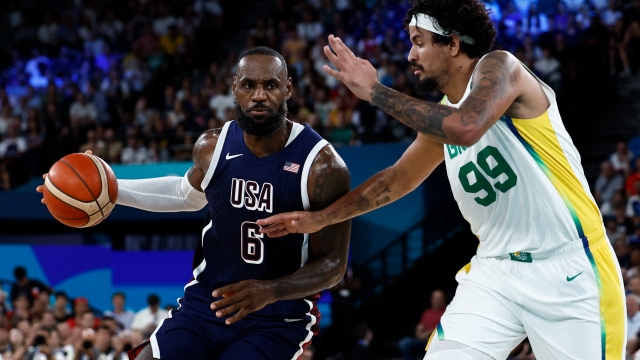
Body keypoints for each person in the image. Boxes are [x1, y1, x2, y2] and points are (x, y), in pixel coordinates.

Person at [259, 0, 626, 358]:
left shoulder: (502, 68)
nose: (409, 56)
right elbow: (397, 178)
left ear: (452, 44)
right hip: (496, 271)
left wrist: (374, 91)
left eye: (419, 42)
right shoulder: (442, 119)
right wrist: (321, 219)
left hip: (569, 267)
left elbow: (465, 128)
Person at [38, 46, 351, 360]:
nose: (259, 95)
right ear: (234, 89)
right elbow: (183, 195)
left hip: (277, 317)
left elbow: (334, 266)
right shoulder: (212, 146)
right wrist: (108, 190)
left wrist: (270, 291)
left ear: (288, 89)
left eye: (270, 85)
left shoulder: (322, 167)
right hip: (207, 303)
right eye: (248, 85)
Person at [398, 289, 446, 360]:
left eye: (439, 299)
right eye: (435, 298)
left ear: (443, 300)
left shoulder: (447, 312)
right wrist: (422, 336)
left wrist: (426, 334)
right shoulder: (427, 313)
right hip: (423, 341)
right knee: (404, 342)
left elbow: (440, 331)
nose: (437, 301)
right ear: (431, 300)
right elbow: (418, 330)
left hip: (437, 341)